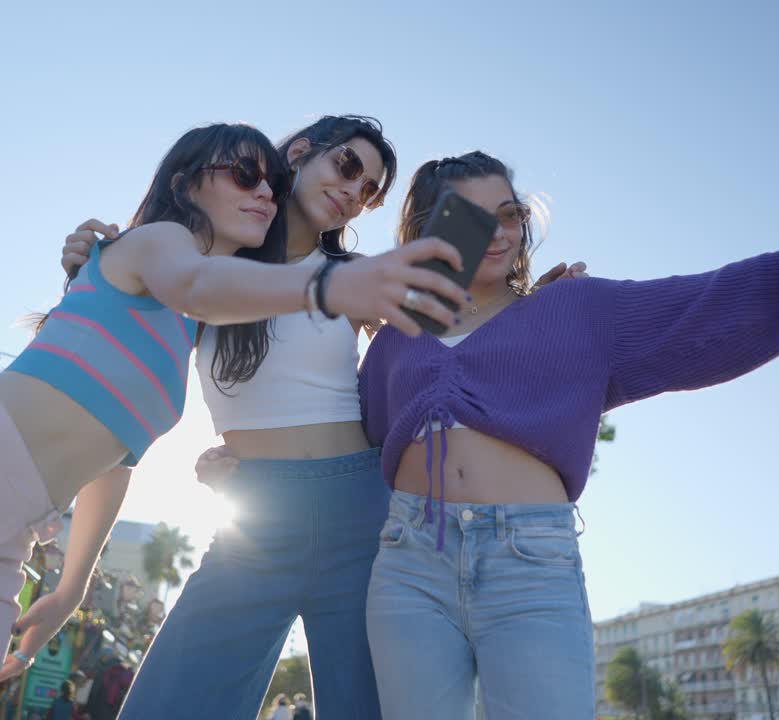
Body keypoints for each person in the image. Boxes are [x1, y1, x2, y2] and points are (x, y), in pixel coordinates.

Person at [0, 123, 469, 720]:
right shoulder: (169, 263)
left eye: (369, 189)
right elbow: (193, 281)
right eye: (246, 176)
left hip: (14, 539)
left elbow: (116, 458)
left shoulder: (218, 312)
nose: (349, 191)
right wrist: (334, 285)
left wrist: (72, 587)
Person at [356, 151, 779, 719]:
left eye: (511, 213)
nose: (499, 233)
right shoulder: (396, 337)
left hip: (529, 564)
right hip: (410, 564)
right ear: (432, 230)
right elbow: (362, 437)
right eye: (470, 217)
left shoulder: (575, 309)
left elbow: (699, 306)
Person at [62, 116, 544, 720]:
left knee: (371, 708)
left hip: (360, 513)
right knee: (167, 704)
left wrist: (531, 306)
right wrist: (86, 261)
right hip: (255, 519)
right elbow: (122, 348)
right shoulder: (204, 263)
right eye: (346, 166)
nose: (353, 191)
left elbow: (462, 307)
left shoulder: (357, 278)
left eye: (368, 190)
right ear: (298, 153)